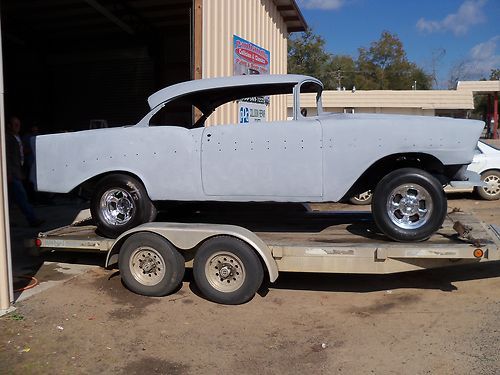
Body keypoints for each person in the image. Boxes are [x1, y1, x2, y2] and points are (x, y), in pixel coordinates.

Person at [5, 116, 44, 227]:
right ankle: (32, 219)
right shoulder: (8, 138)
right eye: (15, 125)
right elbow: (7, 157)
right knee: (22, 197)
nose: (18, 127)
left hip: (16, 171)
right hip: (12, 173)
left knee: (10, 199)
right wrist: (8, 173)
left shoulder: (16, 137)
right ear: (9, 126)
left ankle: (6, 221)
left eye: (19, 124)